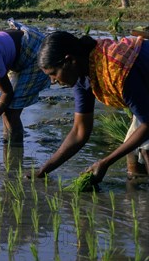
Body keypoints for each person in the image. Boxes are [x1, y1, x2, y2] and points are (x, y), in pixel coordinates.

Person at [34, 31, 149, 182]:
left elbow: (148, 123)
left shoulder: (117, 70)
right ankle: (139, 198)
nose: (52, 81)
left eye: (53, 73)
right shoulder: (82, 76)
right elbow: (79, 132)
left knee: (147, 151)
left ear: (69, 61)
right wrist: (44, 170)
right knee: (133, 155)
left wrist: (105, 162)